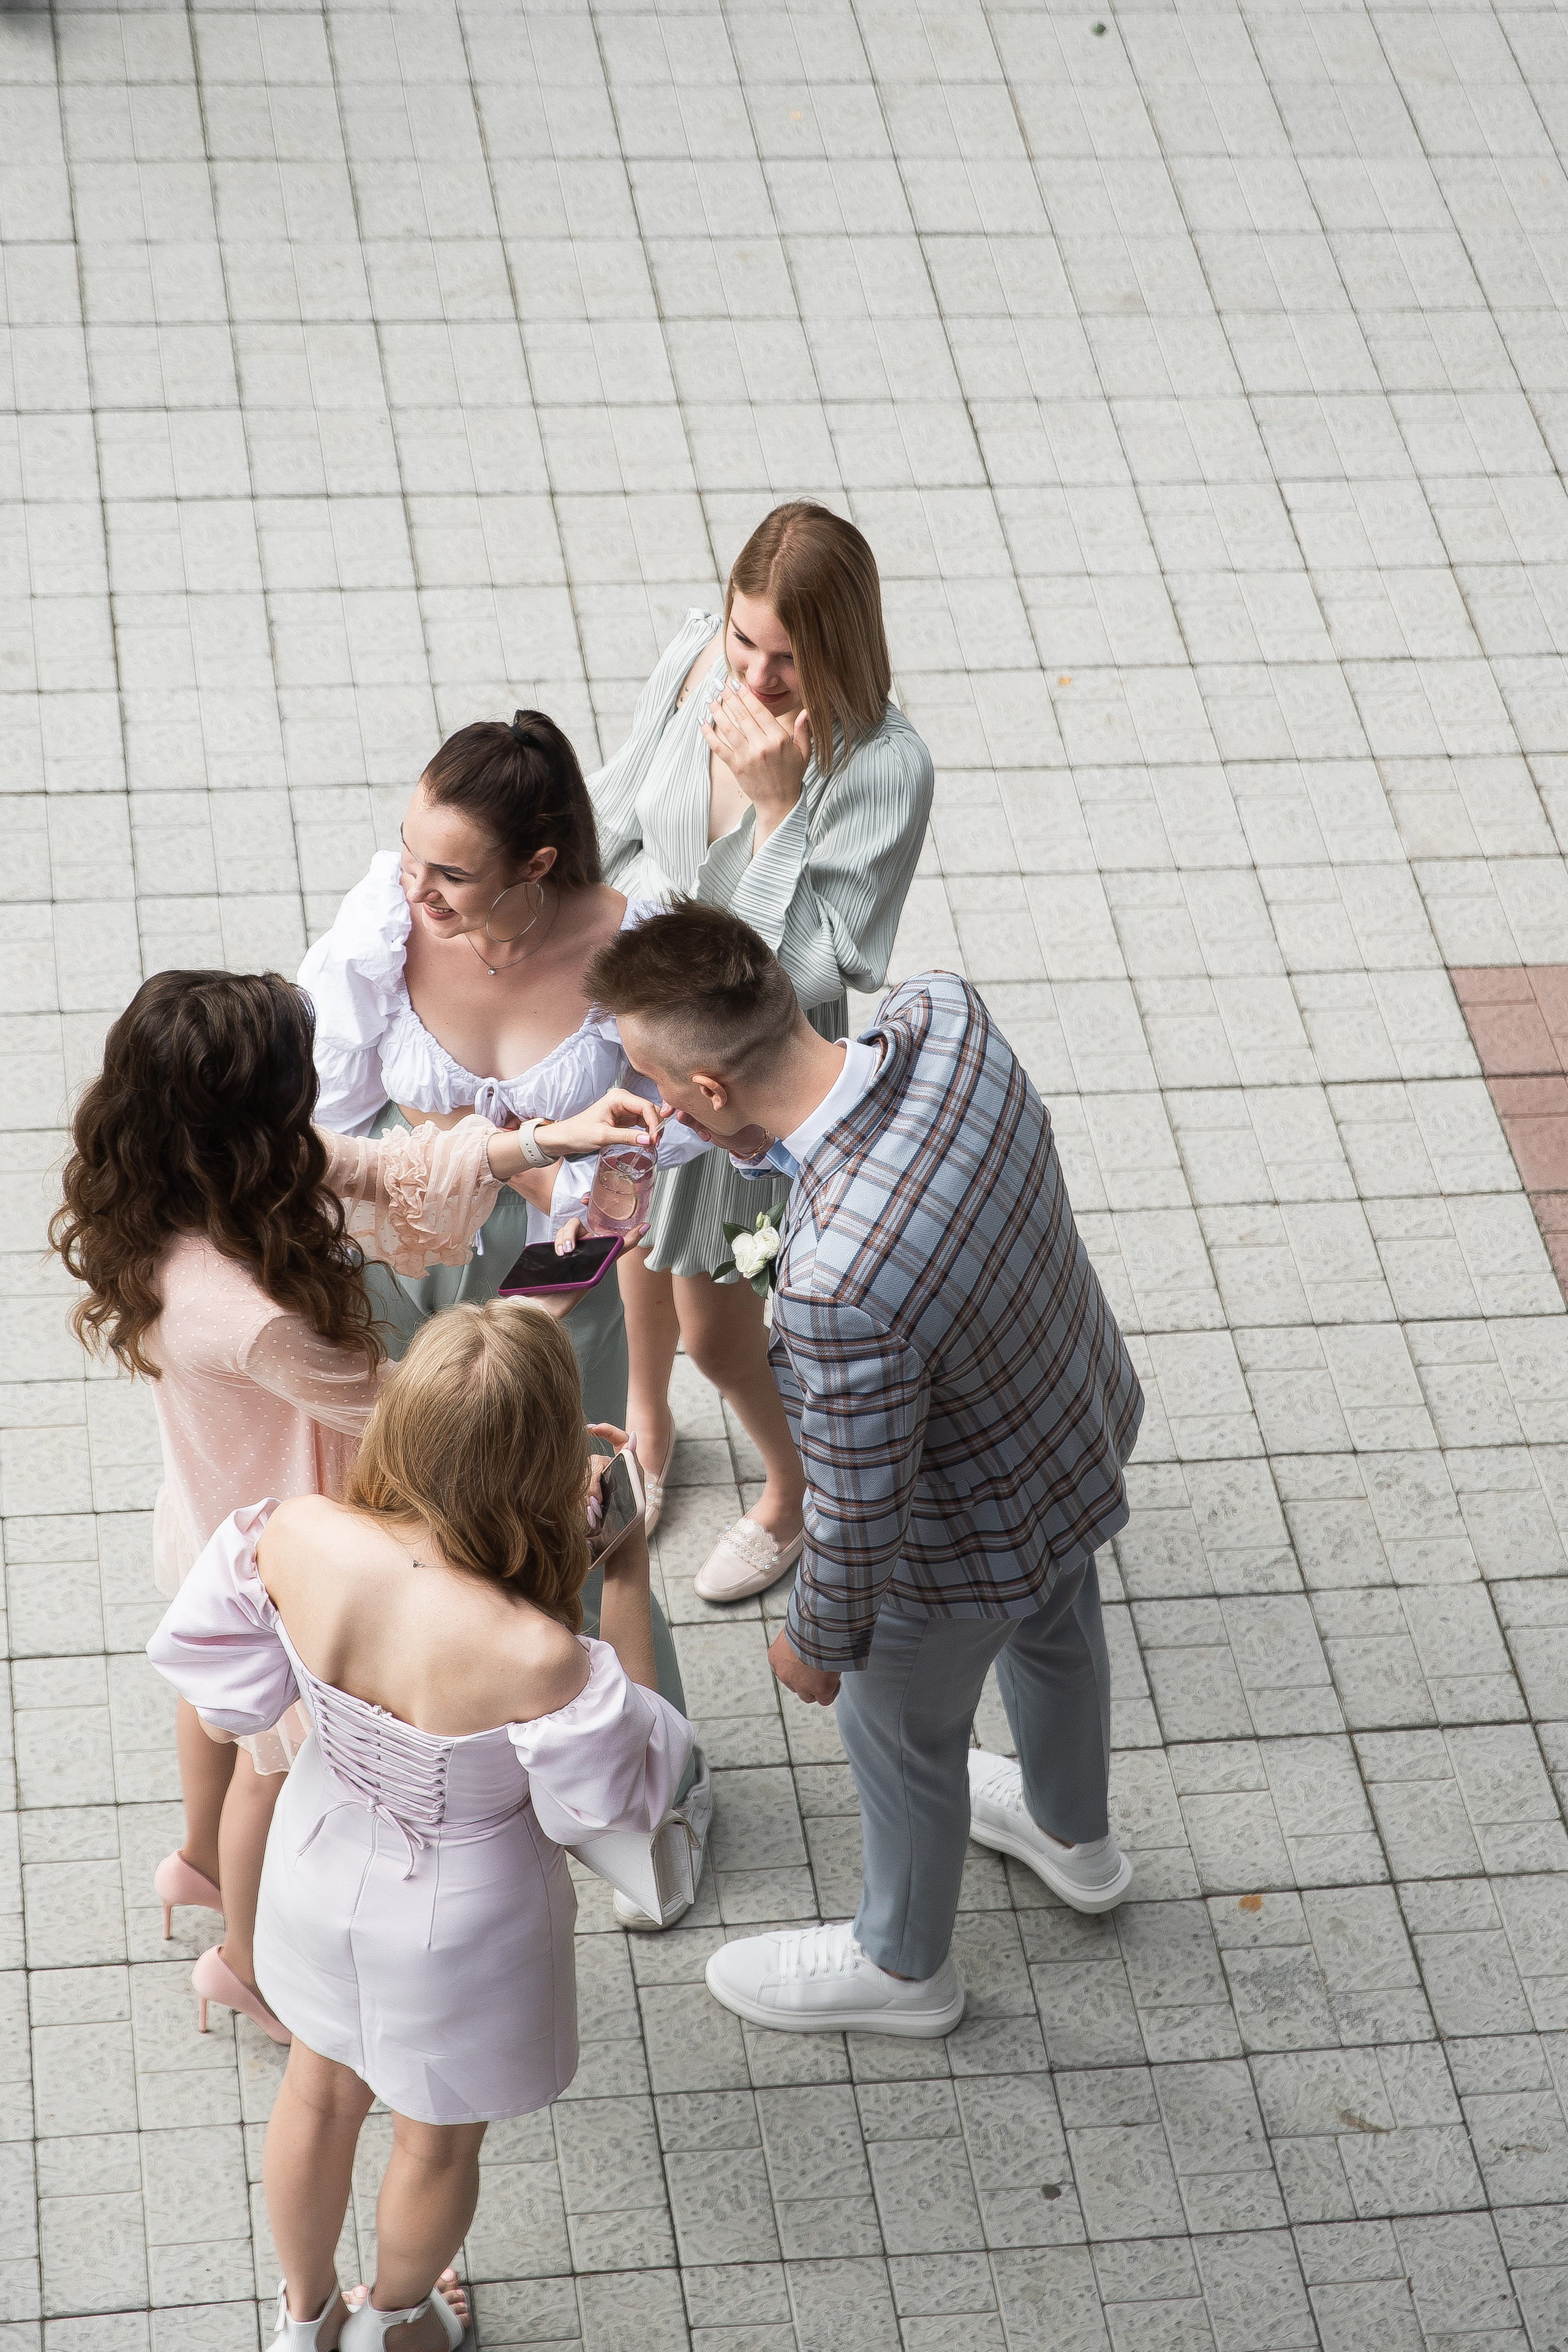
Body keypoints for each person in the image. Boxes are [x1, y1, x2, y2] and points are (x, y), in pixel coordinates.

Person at [51, 968, 656, 2039]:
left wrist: (545, 1142)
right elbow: (413, 1408)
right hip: (290, 1538)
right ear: (251, 1119)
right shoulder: (246, 1312)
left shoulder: (174, 1177)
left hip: (213, 1504)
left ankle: (195, 1864)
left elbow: (381, 1167)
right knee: (274, 1772)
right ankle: (246, 1966)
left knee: (221, 1710)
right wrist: (548, 1305)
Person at [584, 902, 1145, 2038]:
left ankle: (903, 1969)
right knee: (1059, 1631)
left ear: (710, 1090)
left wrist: (819, 1639)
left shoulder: (832, 1284)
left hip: (957, 1542)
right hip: (1070, 1431)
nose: (648, 1095)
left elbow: (858, 1501)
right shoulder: (949, 1016)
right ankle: (1074, 1837)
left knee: (902, 1738)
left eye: (655, 1078)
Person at [146, 1302, 692, 2351]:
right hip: (465, 1923)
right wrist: (620, 1567)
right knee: (436, 2144)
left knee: (316, 2093)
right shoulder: (538, 1651)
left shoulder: (294, 1532)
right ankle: (400, 2321)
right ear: (543, 1457)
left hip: (313, 1861)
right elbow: (626, 1790)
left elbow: (227, 1705)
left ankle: (303, 2319)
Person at [298, 708, 713, 1924]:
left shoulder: (632, 946)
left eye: (451, 872)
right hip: (405, 1254)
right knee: (416, 1502)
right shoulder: (386, 920)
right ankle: (466, 1744)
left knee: (574, 1521)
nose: (416, 887)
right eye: (411, 854)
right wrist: (477, 1147)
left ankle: (653, 1788)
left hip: (556, 1273)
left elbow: (672, 1132)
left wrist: (564, 1201)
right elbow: (326, 1108)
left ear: (537, 866)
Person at [587, 503, 933, 1605]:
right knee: (625, 1231)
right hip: (635, 1019)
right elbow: (619, 808)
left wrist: (780, 814)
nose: (757, 677)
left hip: (743, 1071)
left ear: (843, 645)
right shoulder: (702, 656)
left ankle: (795, 1492)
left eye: (789, 658)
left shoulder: (883, 765)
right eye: (747, 641)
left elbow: (808, 971)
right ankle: (647, 1426)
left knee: (719, 1328)